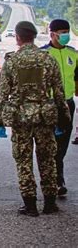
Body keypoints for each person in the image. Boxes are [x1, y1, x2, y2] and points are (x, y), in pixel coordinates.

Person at [0, 21, 70, 216]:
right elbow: (59, 93)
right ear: (34, 37)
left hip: (20, 118)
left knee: (23, 160)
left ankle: (30, 204)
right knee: (47, 159)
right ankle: (50, 203)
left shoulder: (12, 61)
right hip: (44, 117)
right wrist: (64, 119)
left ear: (17, 38)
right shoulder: (48, 59)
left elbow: (2, 93)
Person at [40, 19, 77, 196]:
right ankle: (54, 180)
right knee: (49, 145)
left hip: (67, 104)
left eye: (67, 32)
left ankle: (57, 177)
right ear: (52, 33)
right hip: (48, 104)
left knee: (62, 145)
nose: (65, 36)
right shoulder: (43, 54)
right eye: (61, 32)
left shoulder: (73, 53)